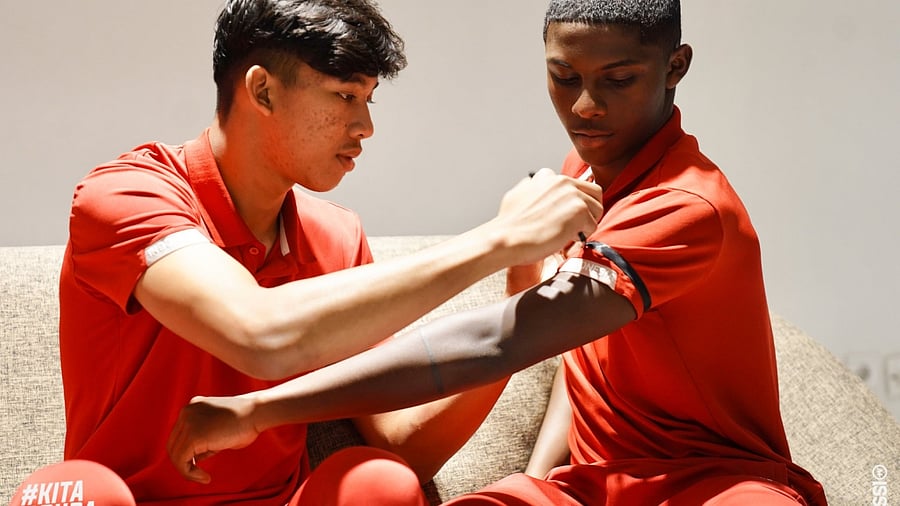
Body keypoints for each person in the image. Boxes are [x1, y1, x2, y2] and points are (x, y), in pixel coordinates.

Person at [166, 0, 829, 504]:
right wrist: (537, 480)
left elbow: (501, 340)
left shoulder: (687, 207)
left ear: (675, 67)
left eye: (619, 79)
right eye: (563, 76)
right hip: (595, 486)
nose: (587, 105)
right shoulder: (586, 176)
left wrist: (259, 408)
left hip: (714, 485)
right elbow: (586, 355)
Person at [50, 0, 604, 504]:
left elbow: (402, 447)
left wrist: (517, 294)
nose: (365, 126)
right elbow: (258, 335)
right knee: (68, 493)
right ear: (263, 90)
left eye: (367, 99)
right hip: (118, 500)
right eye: (344, 97)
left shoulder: (334, 236)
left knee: (379, 480)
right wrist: (496, 238)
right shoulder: (125, 196)